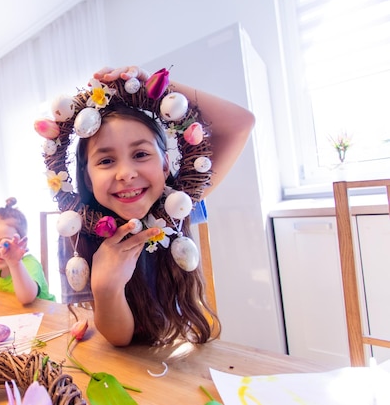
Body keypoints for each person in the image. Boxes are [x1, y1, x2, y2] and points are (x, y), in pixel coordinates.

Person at [43, 66, 255, 347]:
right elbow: (120, 339)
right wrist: (107, 289)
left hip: (183, 351)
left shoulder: (180, 205)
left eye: (141, 154)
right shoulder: (77, 234)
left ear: (165, 164)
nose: (126, 173)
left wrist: (157, 88)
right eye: (106, 161)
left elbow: (241, 123)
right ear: (86, 176)